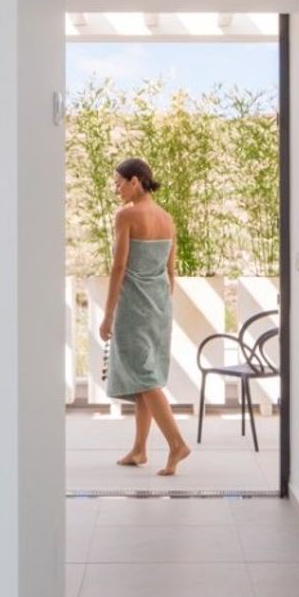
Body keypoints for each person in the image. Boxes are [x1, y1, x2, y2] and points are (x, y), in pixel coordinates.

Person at [99, 158, 191, 476]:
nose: (117, 189)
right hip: (160, 306)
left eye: (119, 183)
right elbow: (171, 270)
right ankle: (139, 450)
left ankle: (177, 443)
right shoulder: (166, 218)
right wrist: (164, 304)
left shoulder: (126, 216)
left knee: (146, 379)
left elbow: (119, 267)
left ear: (136, 181)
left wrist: (107, 315)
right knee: (143, 378)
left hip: (135, 308)